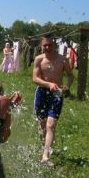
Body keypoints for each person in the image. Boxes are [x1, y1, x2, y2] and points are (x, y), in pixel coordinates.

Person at [32, 36, 74, 166]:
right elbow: (35, 78)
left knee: (51, 124)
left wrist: (67, 86)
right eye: (45, 45)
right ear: (41, 46)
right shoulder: (39, 59)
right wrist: (48, 84)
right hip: (41, 93)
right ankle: (44, 147)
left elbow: (71, 75)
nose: (47, 48)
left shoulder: (63, 59)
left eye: (50, 45)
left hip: (56, 94)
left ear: (54, 45)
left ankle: (45, 156)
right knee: (42, 124)